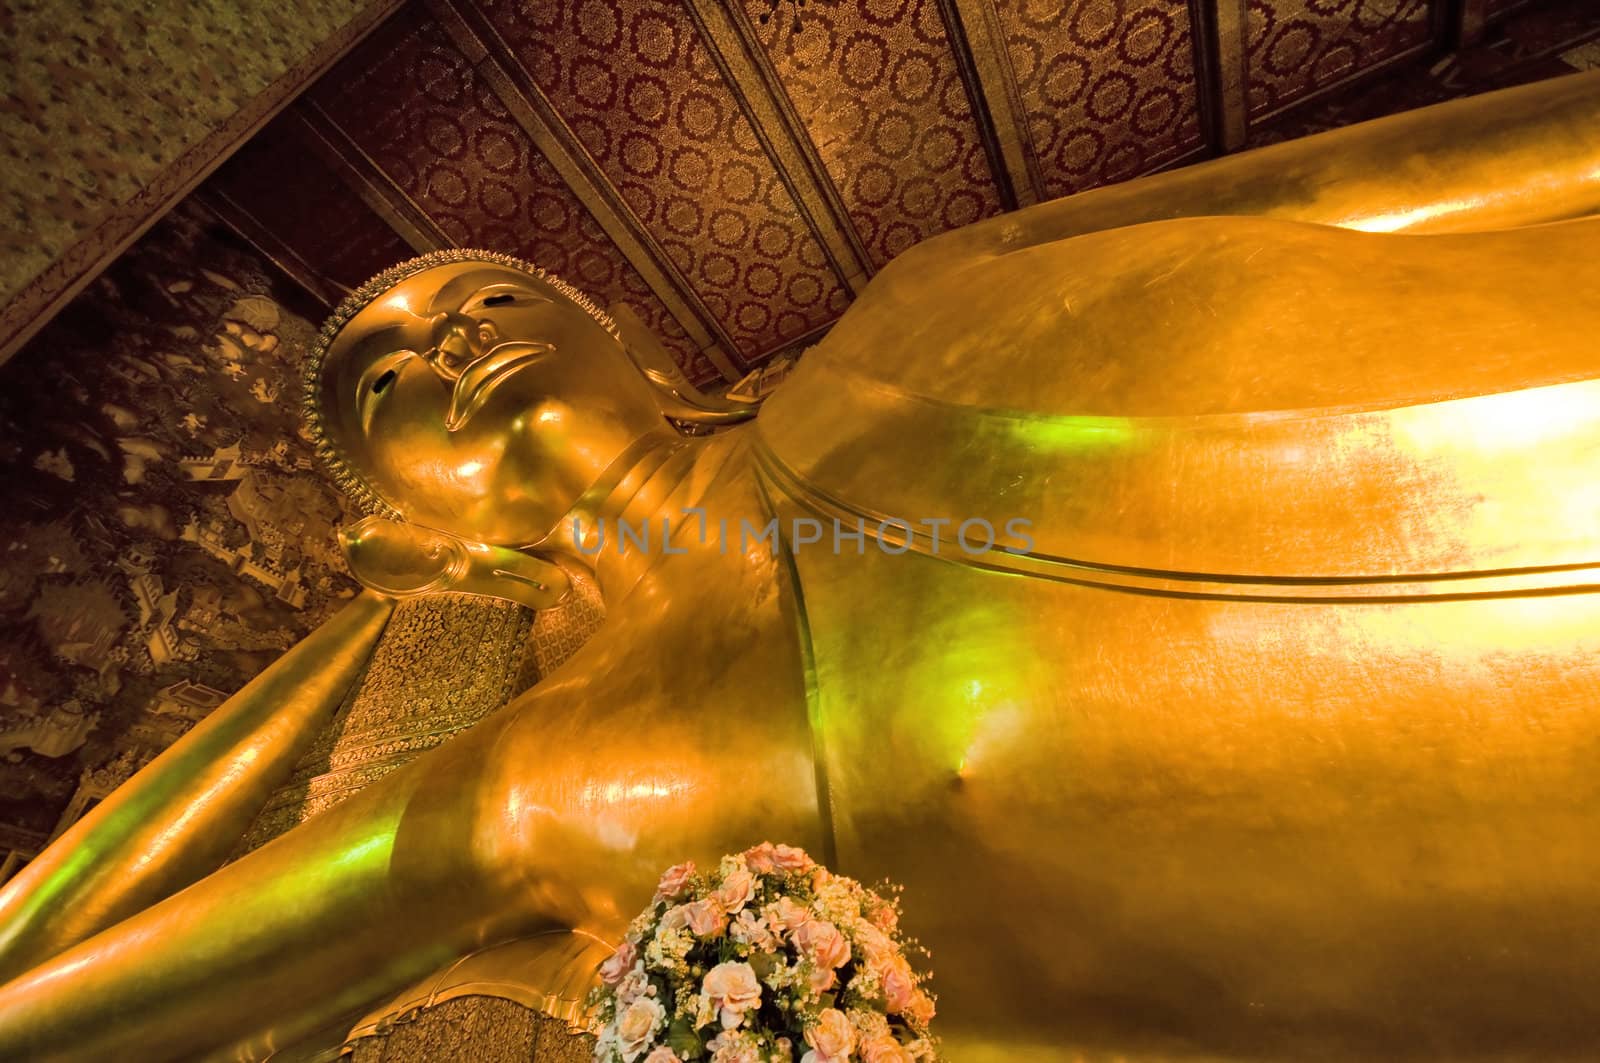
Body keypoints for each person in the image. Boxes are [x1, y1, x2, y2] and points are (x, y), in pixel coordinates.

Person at [2, 72, 1600, 1061]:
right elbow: (95, 1002)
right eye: (389, 381)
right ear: (417, 547)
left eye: (488, 297)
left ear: (628, 343)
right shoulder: (560, 780)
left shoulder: (916, 307)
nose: (449, 334)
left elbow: (1358, 189)